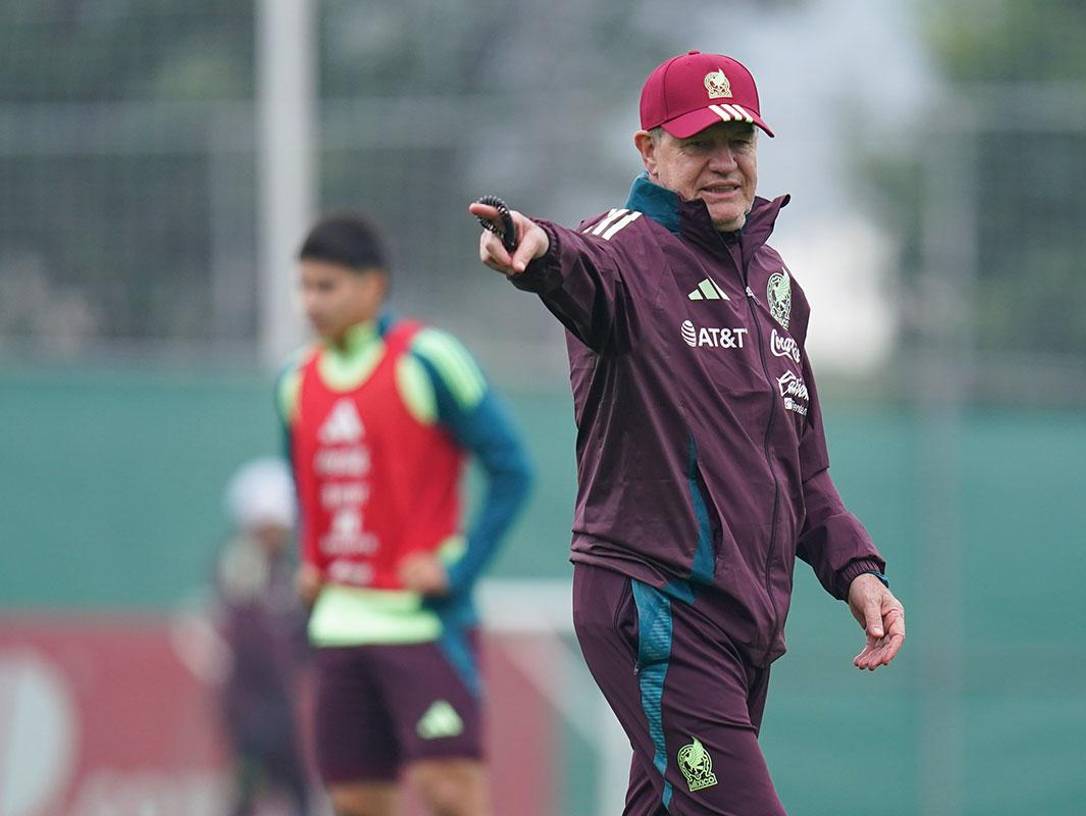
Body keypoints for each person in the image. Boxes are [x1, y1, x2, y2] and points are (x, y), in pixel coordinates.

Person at [470, 50, 905, 815]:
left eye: (739, 140)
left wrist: (857, 570)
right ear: (650, 150)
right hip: (656, 604)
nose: (725, 162)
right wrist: (534, 249)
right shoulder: (626, 248)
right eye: (700, 142)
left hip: (741, 627)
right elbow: (580, 263)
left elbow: (803, 472)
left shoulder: (773, 284)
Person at [277, 213, 532, 816]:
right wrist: (308, 559)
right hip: (338, 627)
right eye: (305, 286)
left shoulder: (429, 358)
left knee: (451, 794)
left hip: (422, 625)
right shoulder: (295, 380)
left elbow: (512, 469)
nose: (311, 302)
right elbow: (304, 483)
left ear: (373, 286)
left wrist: (460, 568)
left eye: (327, 286)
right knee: (356, 800)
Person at [214, 457, 313, 816]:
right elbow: (250, 639)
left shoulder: (288, 571)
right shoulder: (241, 567)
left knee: (301, 793)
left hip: (283, 704)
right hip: (250, 707)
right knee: (247, 792)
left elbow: (303, 637)